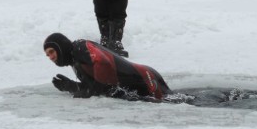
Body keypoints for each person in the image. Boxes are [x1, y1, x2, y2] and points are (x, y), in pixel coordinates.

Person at [43, 32, 171, 101]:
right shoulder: (75, 61)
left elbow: (103, 63)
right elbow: (98, 85)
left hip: (146, 79)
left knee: (182, 102)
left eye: (52, 52)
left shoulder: (80, 48)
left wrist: (92, 91)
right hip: (142, 81)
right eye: (48, 55)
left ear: (61, 47)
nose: (51, 57)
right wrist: (72, 86)